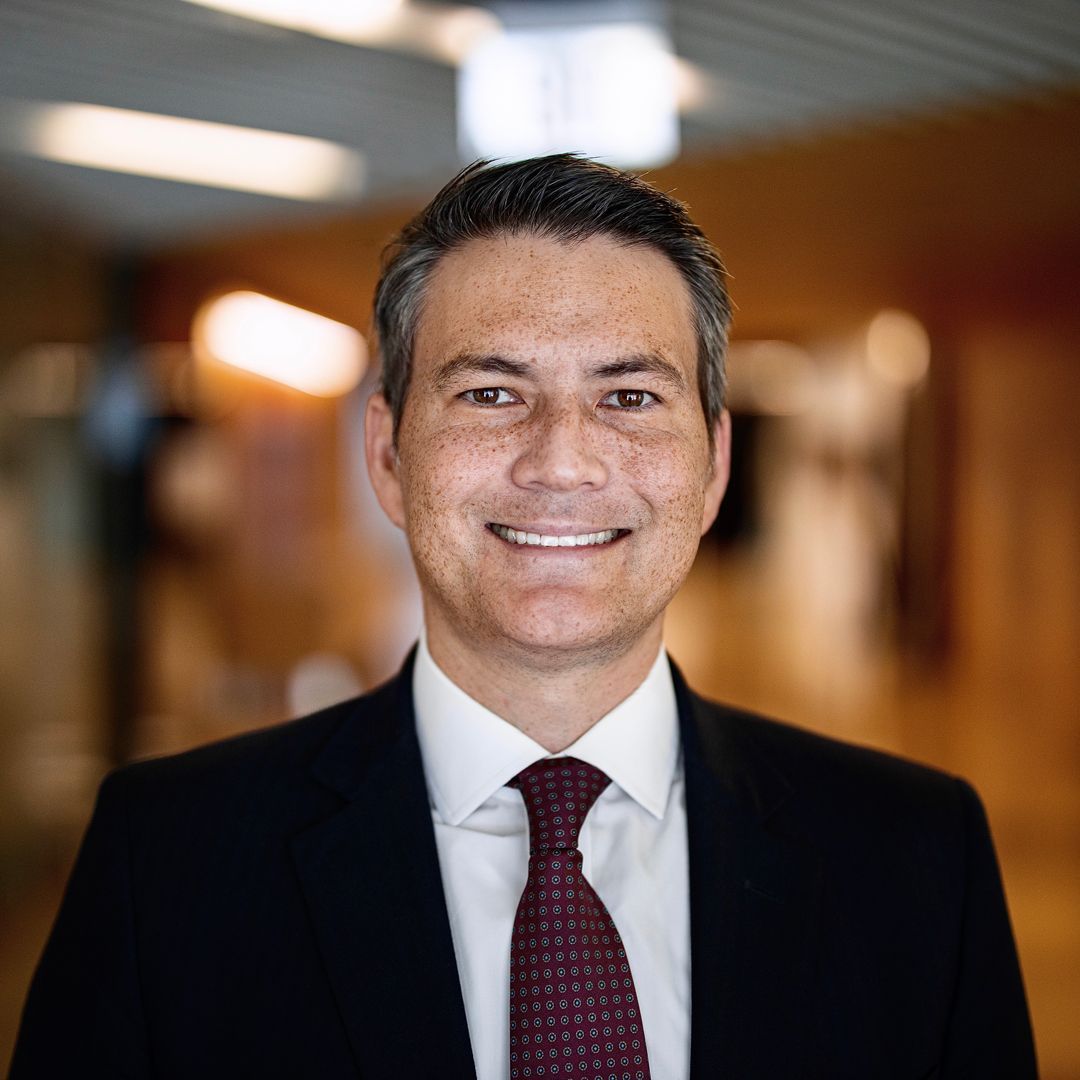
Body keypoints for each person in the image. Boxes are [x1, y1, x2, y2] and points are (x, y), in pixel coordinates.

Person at [11, 155, 1036, 1079]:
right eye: (492, 394)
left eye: (629, 397)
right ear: (388, 456)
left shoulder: (915, 856)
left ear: (714, 464)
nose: (561, 461)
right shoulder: (170, 864)